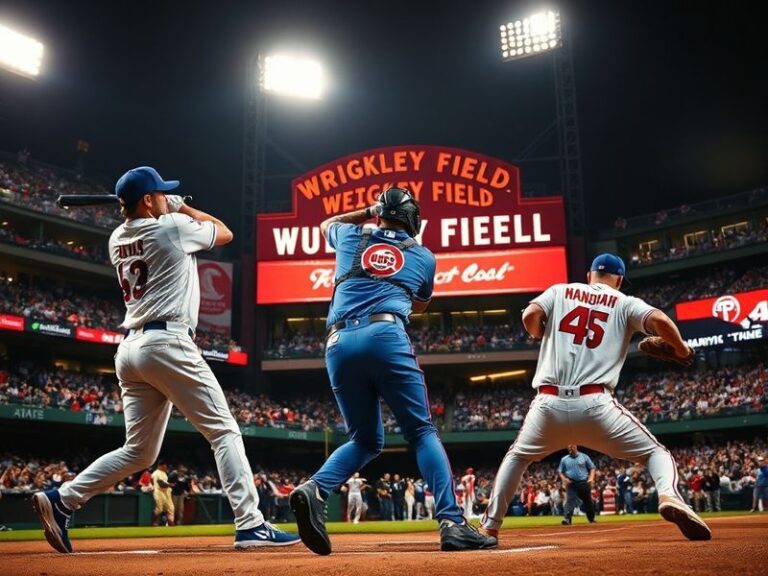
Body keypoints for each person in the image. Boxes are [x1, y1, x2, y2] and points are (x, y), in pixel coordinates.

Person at [31, 166, 298, 553]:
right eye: (160, 192)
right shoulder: (169, 227)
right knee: (224, 432)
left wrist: (166, 206)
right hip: (167, 343)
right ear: (147, 200)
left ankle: (64, 499)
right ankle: (251, 524)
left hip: (131, 350)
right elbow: (225, 232)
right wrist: (183, 209)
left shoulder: (116, 237)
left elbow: (149, 224)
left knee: (139, 451)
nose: (166, 196)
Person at [289, 187, 496, 554]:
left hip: (337, 343)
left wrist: (367, 212)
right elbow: (421, 303)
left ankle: (316, 488)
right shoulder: (423, 256)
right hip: (385, 334)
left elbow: (327, 223)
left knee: (365, 439)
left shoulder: (350, 234)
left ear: (378, 213)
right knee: (420, 431)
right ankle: (452, 522)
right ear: (413, 220)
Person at [480, 253, 711, 542]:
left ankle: (490, 526)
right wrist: (681, 350)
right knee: (656, 453)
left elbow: (529, 316)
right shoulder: (625, 302)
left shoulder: (560, 290)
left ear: (590, 275)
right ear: (619, 280)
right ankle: (669, 496)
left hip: (547, 403)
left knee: (517, 457)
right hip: (595, 404)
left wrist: (540, 332)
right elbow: (661, 319)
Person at [559, 445, 596, 525]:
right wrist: (564, 479)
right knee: (570, 500)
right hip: (571, 483)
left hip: (583, 482)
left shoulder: (584, 456)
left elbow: (592, 468)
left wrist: (591, 478)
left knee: (588, 501)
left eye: (571, 447)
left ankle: (591, 519)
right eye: (568, 447)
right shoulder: (564, 459)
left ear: (575, 447)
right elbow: (560, 471)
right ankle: (567, 519)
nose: (570, 449)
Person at [151, 462, 175, 526]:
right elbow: (161, 484)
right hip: (159, 492)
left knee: (170, 508)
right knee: (159, 509)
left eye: (166, 466)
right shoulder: (156, 473)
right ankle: (155, 523)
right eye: (164, 466)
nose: (166, 467)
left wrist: (169, 485)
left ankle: (171, 523)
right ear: (160, 466)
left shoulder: (164, 473)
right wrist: (170, 484)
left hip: (166, 492)